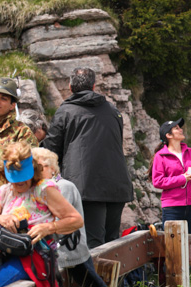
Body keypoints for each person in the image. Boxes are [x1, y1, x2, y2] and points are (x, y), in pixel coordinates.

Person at [43, 67, 133, 248]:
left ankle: (96, 278)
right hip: (118, 184)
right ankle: (115, 278)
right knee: (113, 242)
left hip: (86, 186)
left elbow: (51, 149)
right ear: (93, 86)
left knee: (93, 243)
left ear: (70, 86)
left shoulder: (66, 111)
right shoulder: (112, 110)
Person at [0, 142, 83, 287]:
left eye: (23, 177)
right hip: (1, 253)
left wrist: (49, 227)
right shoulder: (5, 191)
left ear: (33, 169)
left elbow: (76, 220)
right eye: (15, 179)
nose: (19, 183)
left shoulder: (44, 189)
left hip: (32, 257)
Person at [0, 77, 38, 251]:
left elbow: (25, 169)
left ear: (12, 105)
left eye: (3, 98)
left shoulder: (21, 133)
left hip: (5, 208)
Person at [31, 148, 107, 287]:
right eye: (37, 167)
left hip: (70, 253)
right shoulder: (37, 189)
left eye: (44, 166)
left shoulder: (62, 187)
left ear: (53, 169)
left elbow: (61, 222)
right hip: (54, 253)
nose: (40, 170)